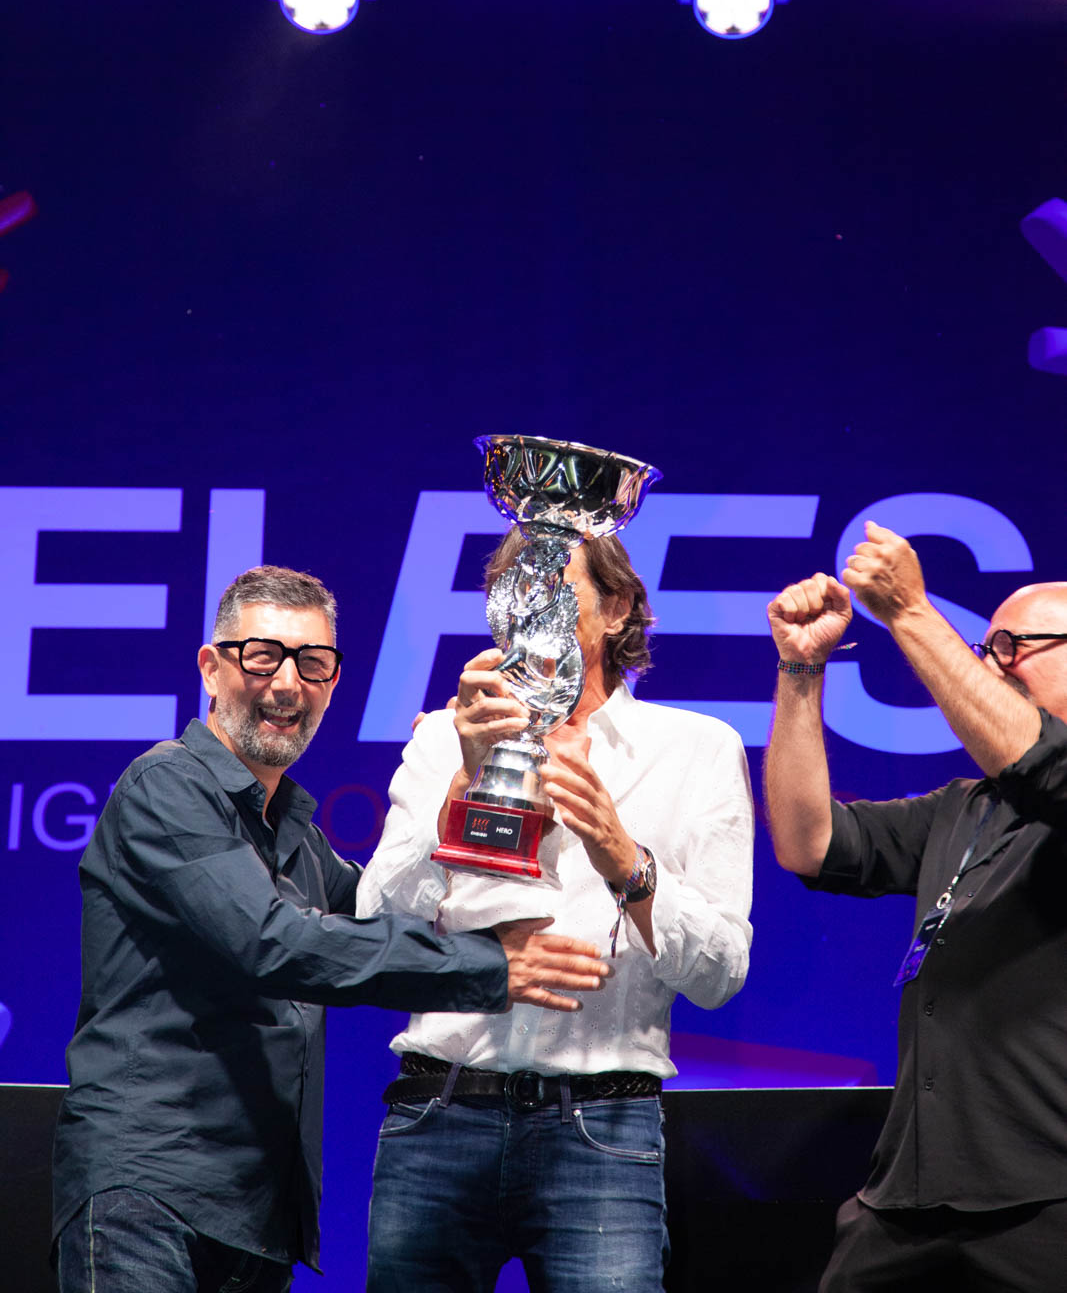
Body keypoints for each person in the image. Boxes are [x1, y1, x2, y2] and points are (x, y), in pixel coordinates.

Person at [52, 564, 611, 1293]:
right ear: (212, 668)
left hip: (255, 1209)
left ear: (334, 681)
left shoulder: (296, 835)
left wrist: (467, 782)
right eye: (262, 657)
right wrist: (491, 966)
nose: (288, 684)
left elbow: (385, 915)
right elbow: (274, 943)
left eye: (312, 663)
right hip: (146, 1192)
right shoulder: (167, 786)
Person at [357, 530, 754, 1292]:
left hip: (601, 1128)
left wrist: (625, 860)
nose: (532, 608)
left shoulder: (695, 749)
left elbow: (718, 974)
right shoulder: (445, 738)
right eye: (516, 588)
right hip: (439, 1111)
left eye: (556, 587)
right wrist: (460, 791)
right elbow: (375, 923)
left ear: (618, 608)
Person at [764, 520, 1067, 1292]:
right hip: (907, 1200)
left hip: (1047, 1200)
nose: (992, 664)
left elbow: (1039, 759)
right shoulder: (964, 807)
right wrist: (800, 670)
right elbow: (809, 843)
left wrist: (907, 610)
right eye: (985, 648)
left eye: (1015, 646)